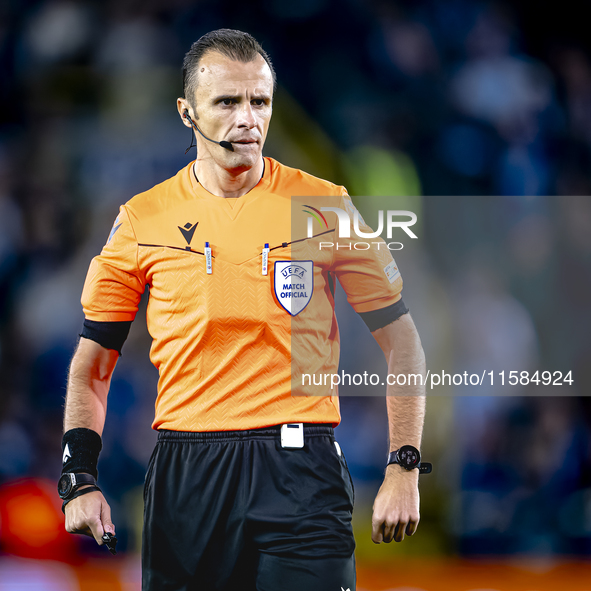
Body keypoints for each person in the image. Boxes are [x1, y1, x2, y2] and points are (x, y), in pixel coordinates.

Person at [59, 29, 427, 591]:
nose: (247, 119)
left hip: (302, 472)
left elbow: (401, 339)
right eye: (227, 102)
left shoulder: (325, 205)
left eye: (260, 101)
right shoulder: (142, 220)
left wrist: (403, 465)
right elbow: (94, 363)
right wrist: (78, 477)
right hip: (189, 475)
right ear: (187, 112)